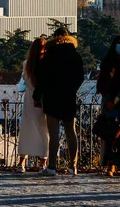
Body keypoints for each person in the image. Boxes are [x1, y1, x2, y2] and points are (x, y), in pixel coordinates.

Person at [33, 27, 84, 176]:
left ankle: (52, 166)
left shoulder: (50, 55)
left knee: (53, 134)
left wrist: (37, 96)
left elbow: (41, 79)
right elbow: (80, 77)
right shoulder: (75, 55)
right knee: (70, 131)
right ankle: (73, 165)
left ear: (55, 37)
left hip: (52, 97)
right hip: (69, 97)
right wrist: (72, 89)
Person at [96, 35, 120, 177]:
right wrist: (108, 100)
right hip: (109, 102)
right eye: (119, 43)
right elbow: (102, 82)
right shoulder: (107, 62)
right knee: (110, 135)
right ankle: (109, 163)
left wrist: (116, 100)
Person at [16, 38, 49, 173]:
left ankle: (21, 162)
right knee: (44, 131)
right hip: (44, 98)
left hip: (29, 99)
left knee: (26, 129)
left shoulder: (27, 64)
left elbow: (26, 80)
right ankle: (43, 163)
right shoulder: (47, 63)